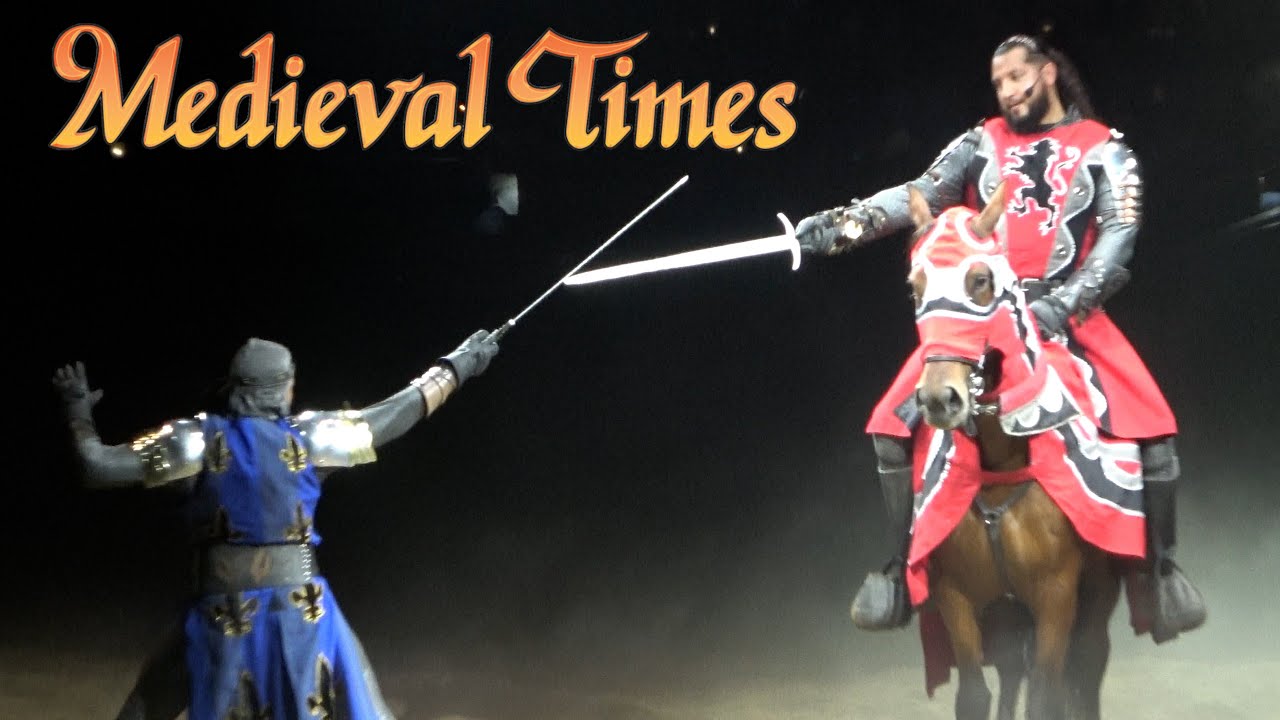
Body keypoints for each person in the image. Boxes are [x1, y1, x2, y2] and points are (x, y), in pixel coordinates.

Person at [793, 34, 1205, 643]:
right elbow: (918, 194)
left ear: (1048, 73)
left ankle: (1160, 575)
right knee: (889, 426)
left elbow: (1118, 238)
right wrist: (843, 224)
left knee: (1155, 429)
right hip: (981, 317)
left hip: (1070, 314)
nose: (1009, 91)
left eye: (1018, 77)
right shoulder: (979, 143)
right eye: (999, 83)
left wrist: (1061, 305)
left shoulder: (1106, 149)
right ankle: (898, 573)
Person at [52, 329, 500, 719]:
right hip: (302, 615)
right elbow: (396, 413)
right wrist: (458, 365)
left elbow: (96, 465)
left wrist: (77, 410)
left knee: (145, 706)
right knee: (363, 706)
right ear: (284, 387)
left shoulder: (194, 442)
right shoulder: (308, 439)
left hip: (221, 613)